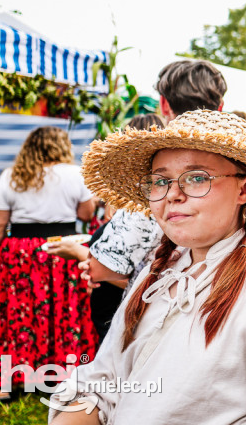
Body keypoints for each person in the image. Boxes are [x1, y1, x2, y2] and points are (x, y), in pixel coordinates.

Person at [49, 109, 246, 424]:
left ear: (245, 189)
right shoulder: (159, 271)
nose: (173, 195)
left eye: (197, 178)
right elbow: (103, 383)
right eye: (160, 181)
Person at [81, 60, 227, 292]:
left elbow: (102, 268)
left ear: (164, 105)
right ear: (220, 108)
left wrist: (79, 254)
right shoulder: (236, 168)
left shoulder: (159, 176)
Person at [0, 127, 98, 401]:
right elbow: (86, 214)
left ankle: (6, 385)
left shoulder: (11, 176)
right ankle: (62, 376)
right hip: (61, 249)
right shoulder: (75, 174)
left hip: (20, 253)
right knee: (64, 312)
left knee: (15, 315)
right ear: (62, 146)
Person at [45, 114, 168, 341]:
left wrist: (79, 253)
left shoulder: (144, 207)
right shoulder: (149, 202)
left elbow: (136, 275)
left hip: (126, 322)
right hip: (125, 318)